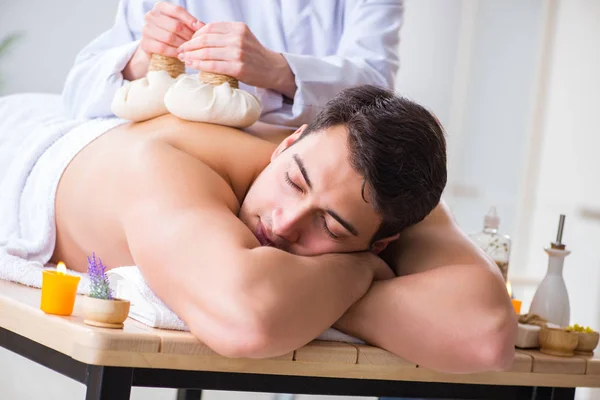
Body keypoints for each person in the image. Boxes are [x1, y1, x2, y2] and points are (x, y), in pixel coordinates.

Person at [45, 85, 516, 373]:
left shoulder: (383, 192)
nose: (285, 223)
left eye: (330, 227)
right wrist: (359, 272)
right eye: (293, 181)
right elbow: (247, 319)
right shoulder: (167, 159)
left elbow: (486, 336)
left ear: (385, 240)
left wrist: (303, 291)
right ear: (289, 141)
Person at [62, 0, 404, 126]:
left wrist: (277, 70)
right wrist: (143, 58)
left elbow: (376, 91)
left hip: (308, 152)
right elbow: (78, 93)